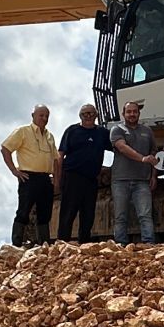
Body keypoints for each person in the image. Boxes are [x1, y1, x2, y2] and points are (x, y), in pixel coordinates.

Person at [1, 104, 57, 246]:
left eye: (46, 116)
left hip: (45, 178)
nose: (44, 118)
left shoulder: (50, 136)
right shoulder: (23, 131)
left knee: (45, 213)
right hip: (28, 177)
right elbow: (5, 148)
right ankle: (17, 244)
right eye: (41, 115)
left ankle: (44, 245)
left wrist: (55, 178)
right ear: (33, 116)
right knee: (24, 211)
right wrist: (14, 170)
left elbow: (56, 158)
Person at [55, 103, 111, 243]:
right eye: (85, 114)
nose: (88, 116)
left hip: (91, 178)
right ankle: (62, 242)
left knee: (88, 213)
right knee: (68, 211)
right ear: (80, 116)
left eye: (91, 113)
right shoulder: (72, 131)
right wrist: (57, 178)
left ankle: (84, 243)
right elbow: (60, 155)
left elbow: (117, 147)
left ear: (96, 115)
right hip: (72, 176)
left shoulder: (102, 133)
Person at [110, 100, 157, 245]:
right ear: (123, 114)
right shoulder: (117, 130)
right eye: (129, 112)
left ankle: (148, 244)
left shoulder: (147, 131)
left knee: (145, 215)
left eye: (134, 111)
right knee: (120, 216)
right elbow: (122, 148)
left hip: (142, 180)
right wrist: (142, 159)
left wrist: (153, 175)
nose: (132, 114)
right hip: (121, 180)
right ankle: (121, 245)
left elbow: (154, 154)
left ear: (139, 113)